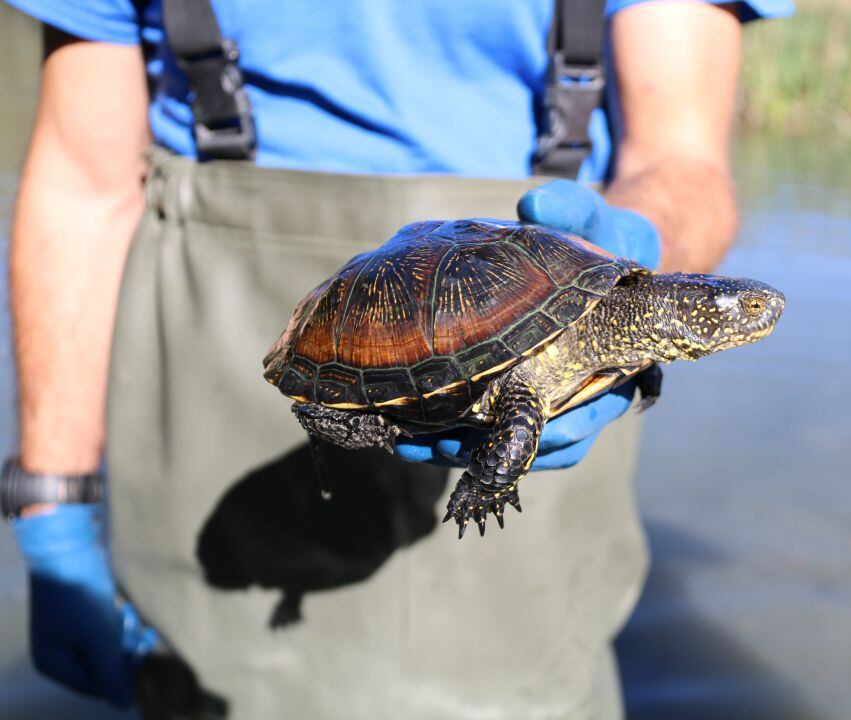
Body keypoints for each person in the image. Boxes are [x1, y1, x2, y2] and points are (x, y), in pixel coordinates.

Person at [3, 0, 791, 717]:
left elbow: (684, 161)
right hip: (253, 358)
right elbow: (83, 175)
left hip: (544, 261)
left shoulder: (624, 312)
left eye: (747, 309)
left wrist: (641, 236)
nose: (762, 314)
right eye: (748, 309)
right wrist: (54, 504)